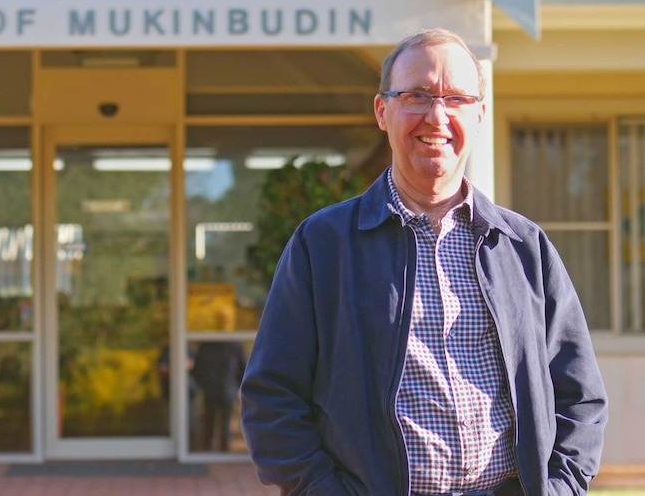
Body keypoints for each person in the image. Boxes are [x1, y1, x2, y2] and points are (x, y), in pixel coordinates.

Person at [239, 28, 608, 496]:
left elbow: (580, 396)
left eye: (456, 98)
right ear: (382, 111)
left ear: (478, 115)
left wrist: (559, 488)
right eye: (417, 95)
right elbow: (271, 399)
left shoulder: (522, 247)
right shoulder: (324, 245)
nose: (437, 116)